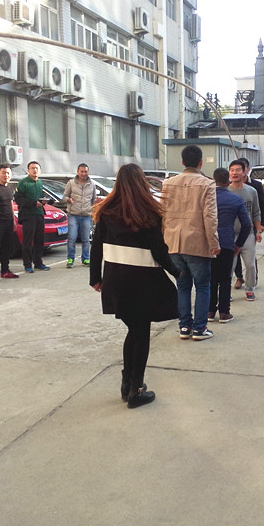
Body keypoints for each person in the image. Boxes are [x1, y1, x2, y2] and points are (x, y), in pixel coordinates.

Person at [89, 164, 180, 409]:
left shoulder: (106, 211)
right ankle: (136, 390)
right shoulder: (148, 213)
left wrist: (95, 278)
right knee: (141, 334)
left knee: (134, 330)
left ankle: (127, 384)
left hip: (115, 281)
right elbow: (159, 251)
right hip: (142, 283)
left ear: (118, 183)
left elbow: (96, 247)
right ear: (142, 182)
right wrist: (177, 272)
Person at [160, 145, 220, 341]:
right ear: (200, 162)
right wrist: (214, 242)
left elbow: (162, 214)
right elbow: (210, 217)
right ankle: (200, 329)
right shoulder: (207, 184)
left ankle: (184, 327)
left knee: (183, 286)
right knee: (202, 286)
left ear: (182, 162)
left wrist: (163, 240)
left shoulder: (168, 183)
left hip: (173, 243)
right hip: (197, 243)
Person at [209, 168, 252, 323]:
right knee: (225, 279)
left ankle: (209, 311)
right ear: (228, 181)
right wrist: (238, 245)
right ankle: (224, 312)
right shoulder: (235, 199)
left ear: (213, 180)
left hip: (208, 243)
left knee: (210, 279)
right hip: (227, 243)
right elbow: (247, 224)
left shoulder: (206, 198)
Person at [228, 160, 263, 301]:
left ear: (244, 172)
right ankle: (226, 292)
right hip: (230, 235)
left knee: (250, 265)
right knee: (229, 266)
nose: (234, 173)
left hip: (248, 234)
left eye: (238, 170)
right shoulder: (226, 191)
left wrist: (258, 230)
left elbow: (256, 212)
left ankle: (249, 289)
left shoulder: (252, 191)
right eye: (232, 170)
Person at [14, 161, 50, 272]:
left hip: (39, 214)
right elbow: (19, 199)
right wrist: (33, 203)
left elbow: (40, 196)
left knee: (39, 240)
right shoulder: (23, 183)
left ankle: (38, 262)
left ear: (40, 170)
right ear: (28, 170)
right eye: (32, 168)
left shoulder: (39, 182)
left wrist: (43, 201)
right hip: (28, 215)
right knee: (28, 241)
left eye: (37, 168)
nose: (35, 170)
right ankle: (27, 264)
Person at [62, 163, 97, 268]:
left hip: (86, 215)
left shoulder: (92, 184)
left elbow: (94, 200)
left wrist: (93, 212)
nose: (83, 173)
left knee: (86, 239)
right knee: (72, 238)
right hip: (73, 215)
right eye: (81, 171)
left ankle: (85, 258)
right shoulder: (71, 183)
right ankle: (70, 258)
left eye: (85, 171)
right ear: (78, 172)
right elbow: (64, 197)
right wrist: (69, 200)